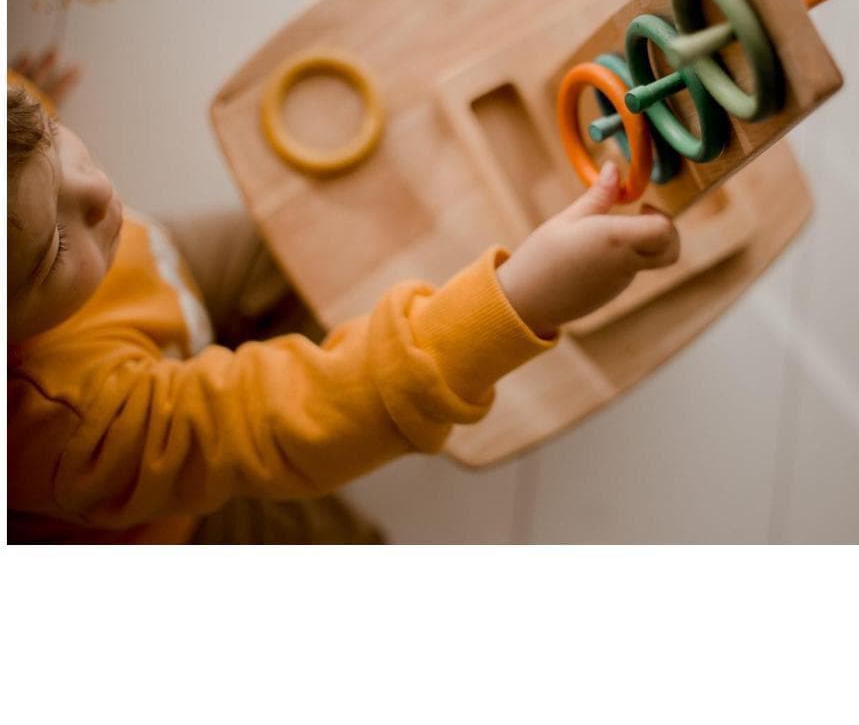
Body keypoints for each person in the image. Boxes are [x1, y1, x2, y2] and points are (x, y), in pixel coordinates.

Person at [6, 49, 680, 544]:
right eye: (50, 249)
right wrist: (517, 301)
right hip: (170, 517)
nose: (95, 193)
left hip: (156, 279)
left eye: (46, 136)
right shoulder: (68, 426)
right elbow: (273, 418)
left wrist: (25, 111)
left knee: (316, 244)